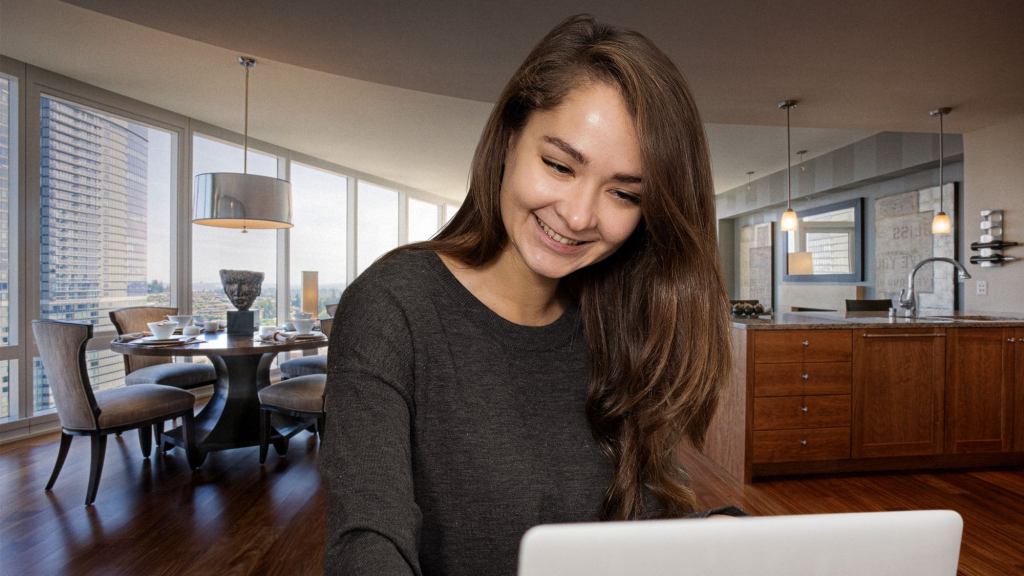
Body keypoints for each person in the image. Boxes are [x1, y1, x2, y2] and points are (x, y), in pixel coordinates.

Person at [321, 14, 742, 576]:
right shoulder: (392, 306)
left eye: (623, 193)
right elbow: (366, 541)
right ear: (510, 138)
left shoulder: (619, 323)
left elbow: (635, 536)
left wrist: (718, 536)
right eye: (559, 165)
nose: (578, 215)